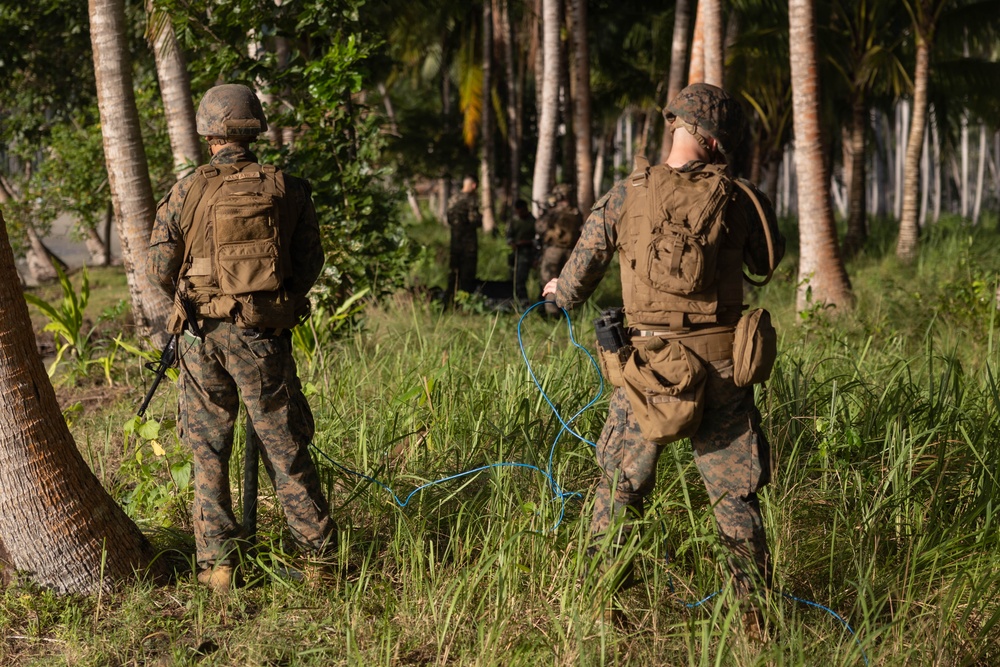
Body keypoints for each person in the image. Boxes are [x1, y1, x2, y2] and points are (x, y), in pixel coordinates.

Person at [542, 83, 785, 628]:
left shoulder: (626, 193)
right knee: (734, 495)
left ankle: (603, 614)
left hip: (646, 369)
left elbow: (577, 280)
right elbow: (769, 257)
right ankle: (754, 623)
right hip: (723, 366)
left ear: (675, 125)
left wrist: (557, 289)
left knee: (619, 488)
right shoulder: (741, 196)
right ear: (718, 140)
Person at [147, 84, 337, 592]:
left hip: (200, 335)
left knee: (208, 450)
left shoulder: (186, 190)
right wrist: (271, 298)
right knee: (285, 444)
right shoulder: (288, 189)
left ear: (208, 131)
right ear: (255, 127)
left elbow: (160, 266)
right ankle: (319, 564)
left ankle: (219, 566)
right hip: (260, 334)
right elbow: (310, 262)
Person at [536, 183, 583, 316]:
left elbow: (540, 228)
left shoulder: (554, 212)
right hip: (571, 252)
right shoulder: (575, 211)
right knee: (564, 282)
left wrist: (543, 214)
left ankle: (551, 313)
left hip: (554, 251)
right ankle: (564, 312)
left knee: (549, 281)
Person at [447, 176, 482, 298]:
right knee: (467, 275)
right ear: (473, 185)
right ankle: (465, 301)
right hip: (468, 245)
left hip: (455, 243)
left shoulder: (453, 198)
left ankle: (450, 299)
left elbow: (449, 219)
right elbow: (474, 220)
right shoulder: (471, 200)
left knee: (454, 273)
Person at [506, 199, 536, 306]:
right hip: (515, 253)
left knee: (521, 279)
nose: (520, 214)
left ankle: (524, 302)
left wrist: (527, 242)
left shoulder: (533, 221)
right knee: (512, 279)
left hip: (527, 254)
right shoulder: (514, 221)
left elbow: (538, 239)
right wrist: (512, 243)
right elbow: (509, 236)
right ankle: (514, 301)